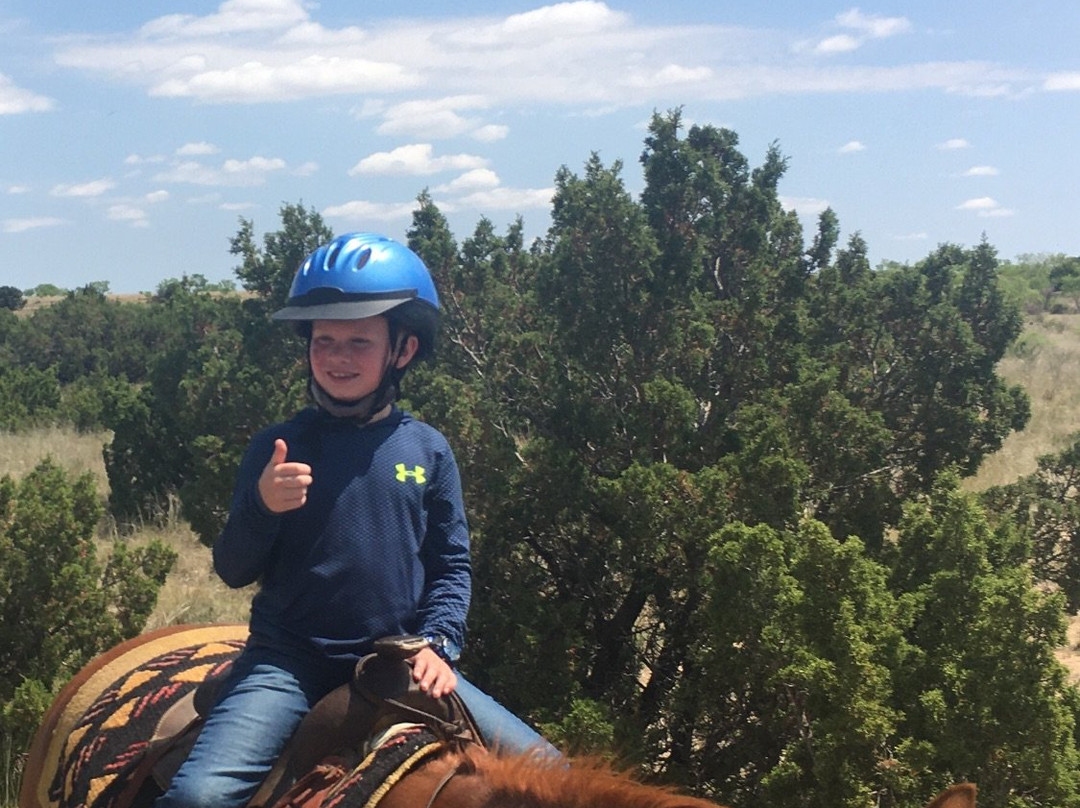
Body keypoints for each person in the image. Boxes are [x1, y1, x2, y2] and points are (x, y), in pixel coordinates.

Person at [156, 232, 554, 808]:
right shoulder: (279, 445)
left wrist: (438, 645)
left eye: (359, 341)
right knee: (198, 798)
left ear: (403, 350)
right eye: (325, 340)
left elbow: (450, 563)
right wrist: (262, 506)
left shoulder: (428, 450)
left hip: (400, 660)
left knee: (554, 774)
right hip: (288, 662)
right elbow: (233, 567)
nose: (338, 357)